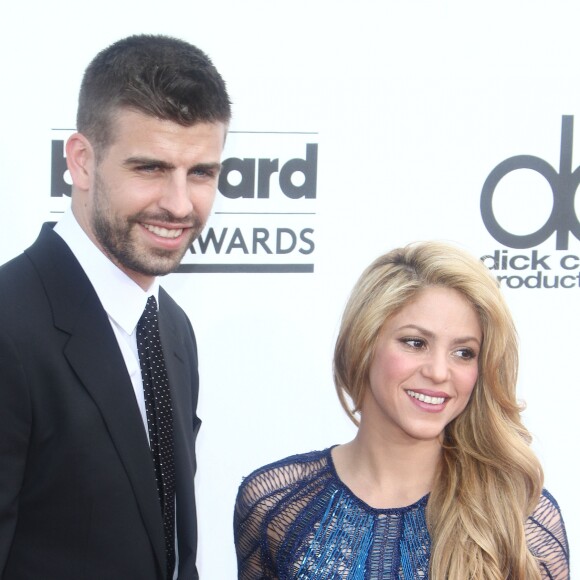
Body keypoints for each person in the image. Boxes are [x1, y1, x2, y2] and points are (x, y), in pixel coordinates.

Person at [0, 34, 230, 579]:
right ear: (81, 161)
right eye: (150, 168)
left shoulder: (170, 327)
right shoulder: (8, 326)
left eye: (201, 172)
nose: (179, 204)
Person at [234, 242, 569, 579]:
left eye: (464, 352)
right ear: (363, 342)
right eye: (415, 343)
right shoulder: (276, 502)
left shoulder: (521, 518)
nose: (439, 372)